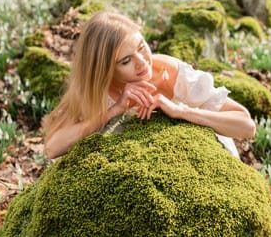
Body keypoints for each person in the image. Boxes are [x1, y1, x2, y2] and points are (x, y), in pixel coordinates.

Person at [42, 10, 256, 159]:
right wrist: (114, 110)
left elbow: (246, 126)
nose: (143, 62)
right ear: (105, 69)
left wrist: (181, 111)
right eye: (126, 61)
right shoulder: (94, 90)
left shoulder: (169, 71)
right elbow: (52, 149)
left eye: (142, 46)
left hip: (199, 157)